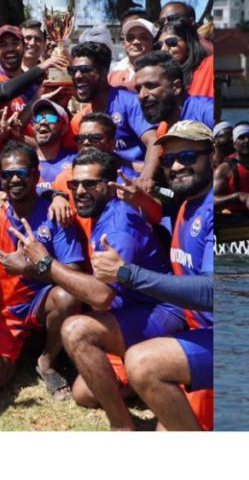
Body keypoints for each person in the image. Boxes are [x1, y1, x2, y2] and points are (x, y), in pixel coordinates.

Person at [0, 148, 184, 429]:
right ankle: (146, 377)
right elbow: (44, 189)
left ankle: (122, 425)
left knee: (75, 331)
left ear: (109, 186)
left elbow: (101, 294)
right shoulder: (97, 208)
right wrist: (56, 195)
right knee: (84, 393)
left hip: (158, 313)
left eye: (89, 184)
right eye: (74, 185)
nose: (79, 191)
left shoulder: (118, 227)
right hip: (130, 313)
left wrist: (43, 262)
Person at [90, 120, 214, 431]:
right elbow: (163, 196)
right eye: (169, 159)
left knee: (143, 363)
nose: (175, 166)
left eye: (187, 157)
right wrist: (140, 197)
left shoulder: (211, 210)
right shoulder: (187, 198)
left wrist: (125, 273)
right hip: (194, 330)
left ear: (212, 156)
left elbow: (213, 291)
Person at [0, 142, 84, 400]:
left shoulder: (56, 213)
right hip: (7, 311)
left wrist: (30, 269)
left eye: (21, 173)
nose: (14, 179)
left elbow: (74, 272)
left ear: (35, 174)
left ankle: (46, 360)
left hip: (44, 301)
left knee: (67, 297)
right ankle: (21, 349)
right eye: (7, 174)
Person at [67, 41, 161, 190]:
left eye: (85, 69)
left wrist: (145, 179)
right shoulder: (82, 118)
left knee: (168, 196)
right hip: (103, 187)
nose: (77, 76)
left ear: (104, 71)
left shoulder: (129, 102)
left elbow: (154, 141)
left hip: (142, 185)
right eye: (73, 70)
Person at [133, 51, 213, 132]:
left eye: (151, 86)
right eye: (138, 89)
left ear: (176, 87)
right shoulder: (162, 131)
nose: (142, 95)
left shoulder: (205, 111)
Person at [153, 21, 213, 98]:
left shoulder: (209, 65)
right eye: (159, 45)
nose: (163, 49)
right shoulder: (160, 77)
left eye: (171, 41)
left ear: (188, 43)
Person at [213, 122, 249, 214]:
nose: (247, 141)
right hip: (233, 217)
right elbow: (212, 200)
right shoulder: (224, 169)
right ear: (234, 144)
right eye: (241, 137)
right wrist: (237, 196)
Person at [30, 99, 76, 192]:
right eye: (38, 117)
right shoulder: (24, 161)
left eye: (51, 117)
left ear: (64, 128)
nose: (42, 122)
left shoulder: (76, 162)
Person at [108, 18, 157, 91]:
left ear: (152, 43)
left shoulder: (159, 72)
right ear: (124, 44)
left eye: (143, 37)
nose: (136, 42)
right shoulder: (113, 72)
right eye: (130, 38)